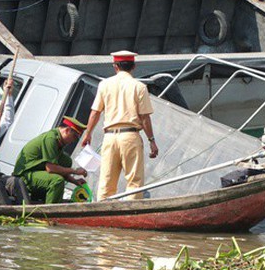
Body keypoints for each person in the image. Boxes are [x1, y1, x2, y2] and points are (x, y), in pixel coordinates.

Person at [81, 51, 158, 201]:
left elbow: (95, 113)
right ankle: (130, 214)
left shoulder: (104, 85)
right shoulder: (139, 87)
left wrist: (88, 133)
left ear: (115, 66)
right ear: (133, 66)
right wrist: (151, 140)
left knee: (106, 181)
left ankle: (102, 213)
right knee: (134, 181)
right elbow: (145, 118)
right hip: (130, 136)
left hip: (110, 137)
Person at [12, 117, 88, 204]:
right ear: (67, 130)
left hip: (36, 172)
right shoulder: (51, 139)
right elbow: (51, 169)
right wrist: (75, 171)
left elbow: (59, 169)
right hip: (25, 175)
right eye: (74, 136)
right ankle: (50, 213)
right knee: (57, 180)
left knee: (67, 161)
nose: (74, 140)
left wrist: (75, 181)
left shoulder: (59, 140)